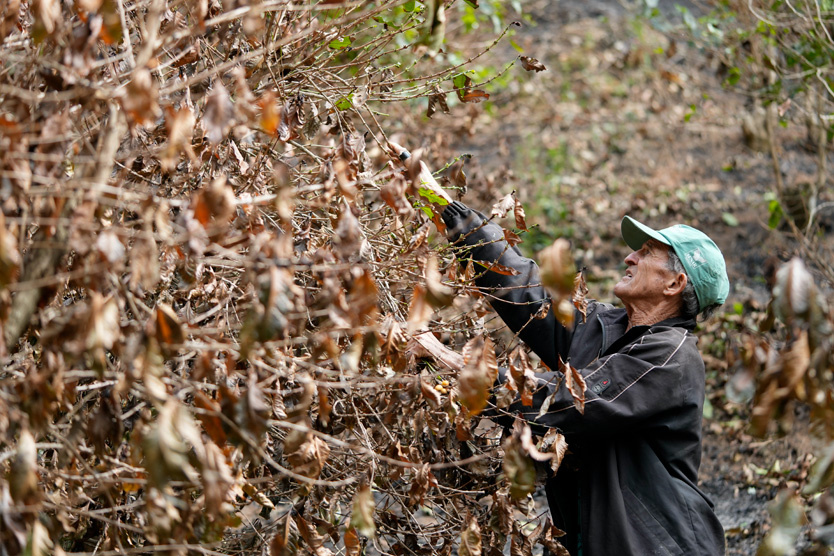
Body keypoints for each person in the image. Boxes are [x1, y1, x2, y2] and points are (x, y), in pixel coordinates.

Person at [438, 200, 729, 556]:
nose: (629, 258)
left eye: (647, 252)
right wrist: (455, 216)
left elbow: (570, 401)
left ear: (674, 283)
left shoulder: (672, 358)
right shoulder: (607, 327)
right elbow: (527, 293)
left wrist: (457, 366)